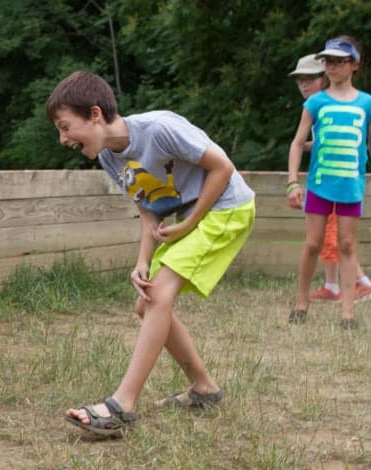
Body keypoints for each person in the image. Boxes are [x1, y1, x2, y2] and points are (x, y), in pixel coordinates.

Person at [46, 71, 256, 437]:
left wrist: (190, 224)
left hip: (226, 207)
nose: (63, 139)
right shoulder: (110, 158)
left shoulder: (159, 129)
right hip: (189, 218)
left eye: (66, 127)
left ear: (95, 114)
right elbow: (148, 208)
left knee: (159, 295)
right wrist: (142, 260)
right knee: (146, 302)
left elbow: (222, 167)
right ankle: (204, 388)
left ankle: (122, 405)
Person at [287, 36, 371, 329]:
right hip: (319, 185)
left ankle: (347, 313)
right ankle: (301, 303)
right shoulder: (317, 102)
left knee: (346, 245)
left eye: (339, 61)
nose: (331, 66)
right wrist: (293, 182)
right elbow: (296, 143)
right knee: (313, 244)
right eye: (328, 61)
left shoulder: (367, 103)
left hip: (351, 188)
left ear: (354, 65)